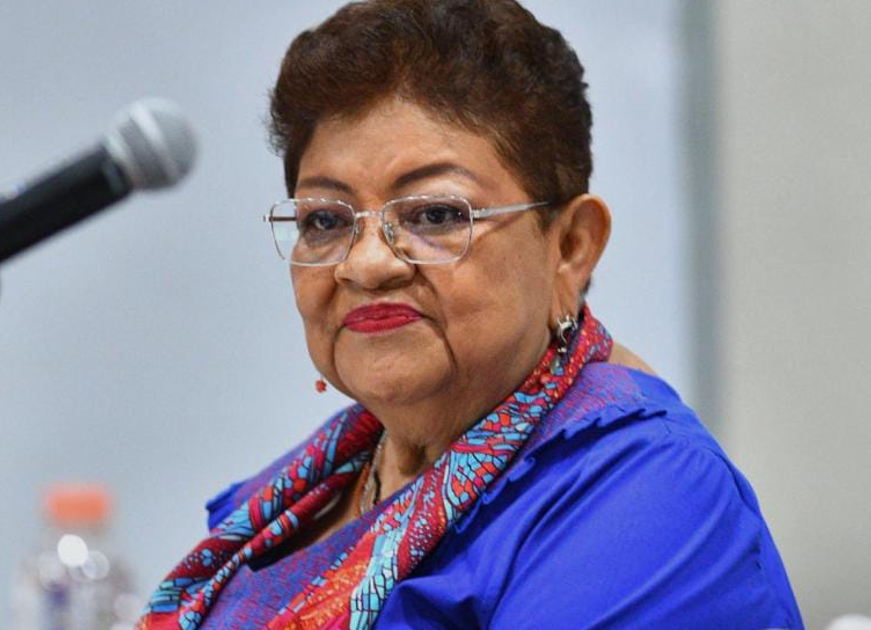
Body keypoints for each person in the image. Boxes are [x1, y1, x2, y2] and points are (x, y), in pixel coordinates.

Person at [139, 1, 803, 628]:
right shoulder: (297, 496)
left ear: (570, 248)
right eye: (325, 219)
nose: (367, 264)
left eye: (434, 215)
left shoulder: (651, 502)